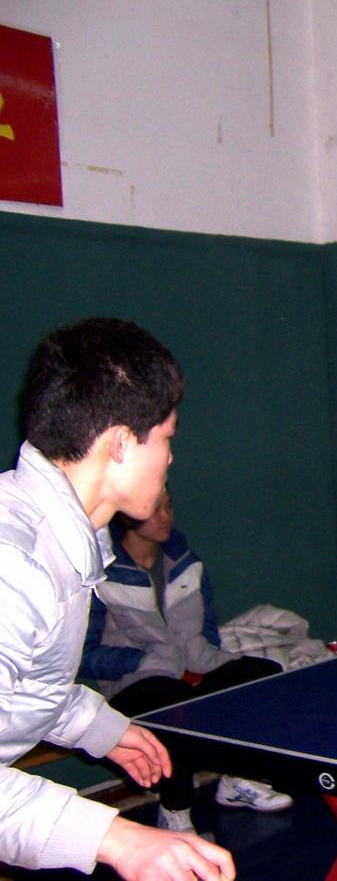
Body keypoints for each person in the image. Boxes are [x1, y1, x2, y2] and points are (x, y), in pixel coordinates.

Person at [0, 317, 234, 880]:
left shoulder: (63, 542)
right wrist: (114, 836)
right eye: (167, 438)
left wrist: (102, 730)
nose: (170, 458)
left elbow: (23, 687)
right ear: (122, 443)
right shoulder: (15, 563)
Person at [81, 487, 292, 836]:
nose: (167, 517)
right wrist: (144, 660)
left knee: (263, 675)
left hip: (192, 668)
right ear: (128, 516)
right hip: (134, 681)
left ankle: (239, 779)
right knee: (177, 709)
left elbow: (206, 628)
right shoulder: (102, 575)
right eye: (156, 509)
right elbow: (84, 654)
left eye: (169, 507)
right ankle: (175, 813)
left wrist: (203, 657)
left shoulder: (187, 564)